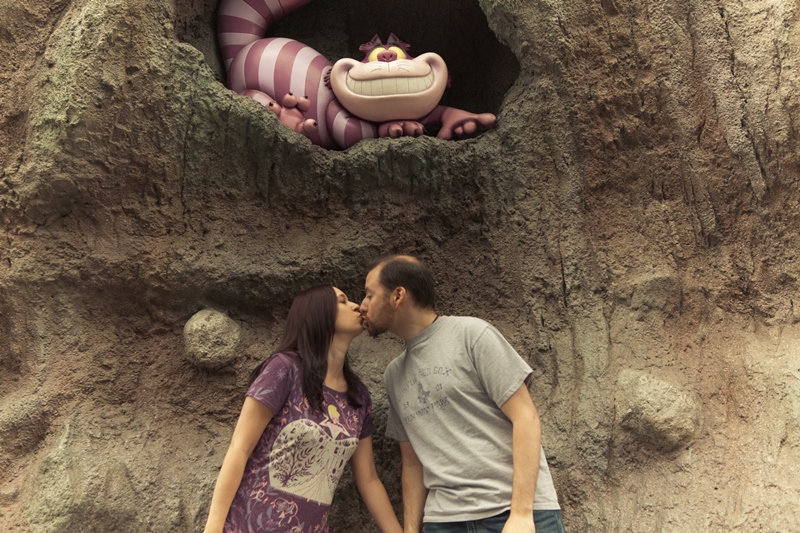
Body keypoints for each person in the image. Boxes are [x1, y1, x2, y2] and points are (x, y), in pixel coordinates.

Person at [360, 256, 565, 533]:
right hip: (443, 522)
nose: (362, 305)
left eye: (369, 295)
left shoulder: (472, 335)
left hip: (512, 512)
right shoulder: (393, 375)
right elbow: (412, 464)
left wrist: (521, 514)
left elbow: (526, 418)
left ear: (398, 295)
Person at [204, 285, 403, 533]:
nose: (356, 306)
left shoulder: (358, 396)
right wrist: (213, 528)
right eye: (342, 301)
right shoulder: (285, 369)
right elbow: (239, 448)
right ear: (317, 314)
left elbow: (369, 480)